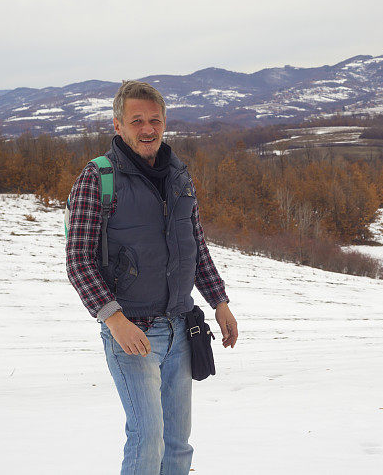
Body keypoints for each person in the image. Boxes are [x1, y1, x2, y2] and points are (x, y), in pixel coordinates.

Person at [66, 80, 238, 475]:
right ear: (118, 126)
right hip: (132, 334)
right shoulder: (97, 178)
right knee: (147, 437)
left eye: (155, 120)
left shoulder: (179, 175)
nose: (148, 129)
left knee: (177, 445)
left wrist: (220, 303)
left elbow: (194, 246)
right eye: (137, 120)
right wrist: (115, 320)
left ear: (165, 123)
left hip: (181, 328)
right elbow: (78, 260)